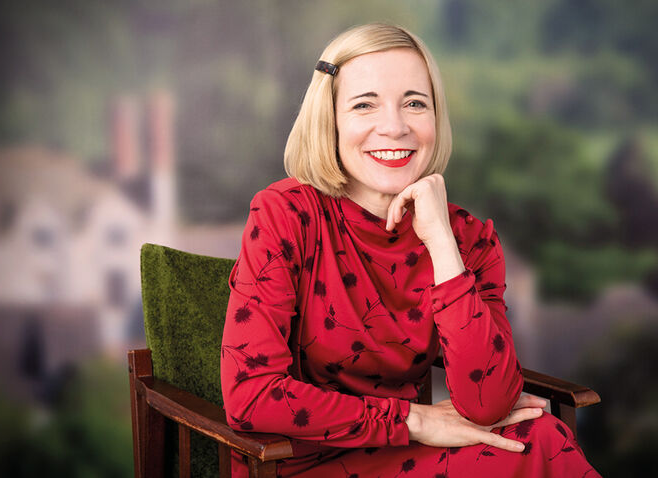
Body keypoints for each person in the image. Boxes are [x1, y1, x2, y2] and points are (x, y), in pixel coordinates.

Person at [221, 23, 601, 477]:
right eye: (365, 105)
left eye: (415, 103)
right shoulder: (285, 214)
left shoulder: (469, 238)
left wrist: (441, 241)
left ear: (436, 118)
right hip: (298, 459)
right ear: (330, 120)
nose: (395, 127)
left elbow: (488, 404)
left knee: (539, 438)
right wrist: (413, 420)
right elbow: (251, 395)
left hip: (410, 452)